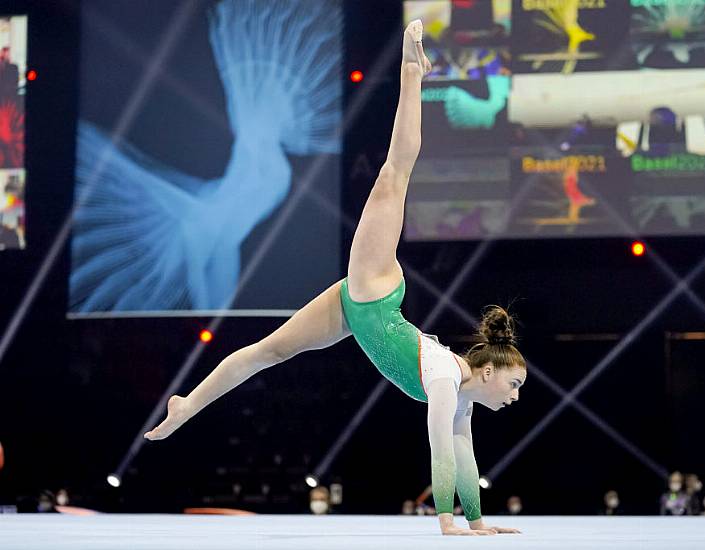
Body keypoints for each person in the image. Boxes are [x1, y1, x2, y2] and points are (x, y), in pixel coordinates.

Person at [145, 20, 525, 537]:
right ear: (488, 371)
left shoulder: (458, 395)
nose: (515, 395)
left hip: (357, 309)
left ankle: (188, 405)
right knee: (396, 171)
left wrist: (477, 523)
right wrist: (445, 522)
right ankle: (412, 68)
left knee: (268, 352)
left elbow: (462, 451)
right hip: (375, 290)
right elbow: (438, 446)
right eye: (514, 383)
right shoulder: (443, 381)